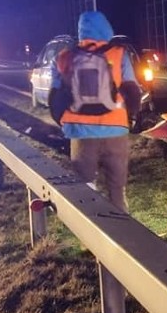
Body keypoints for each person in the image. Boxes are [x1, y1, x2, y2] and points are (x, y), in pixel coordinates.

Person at [48, 11, 141, 212]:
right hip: (116, 132)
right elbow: (133, 92)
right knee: (117, 188)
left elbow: (55, 98)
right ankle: (122, 233)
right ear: (107, 29)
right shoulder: (118, 54)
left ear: (81, 32)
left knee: (86, 189)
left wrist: (65, 121)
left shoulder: (64, 57)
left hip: (81, 134)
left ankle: (91, 235)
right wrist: (130, 119)